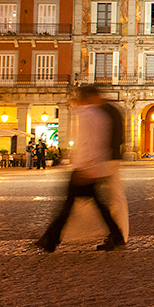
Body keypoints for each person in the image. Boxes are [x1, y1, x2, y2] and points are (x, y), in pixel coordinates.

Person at [36, 84, 126, 252]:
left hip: (85, 167)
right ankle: (116, 235)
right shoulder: (99, 114)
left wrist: (84, 167)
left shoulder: (88, 114)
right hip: (91, 166)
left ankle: (50, 239)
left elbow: (88, 143)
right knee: (93, 203)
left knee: (70, 204)